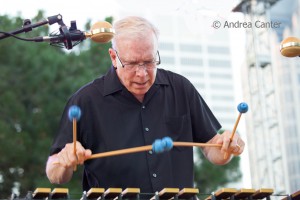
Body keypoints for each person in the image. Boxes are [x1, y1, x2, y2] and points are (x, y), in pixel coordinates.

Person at [46, 16, 245, 193]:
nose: (142, 73)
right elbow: (54, 173)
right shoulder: (86, 100)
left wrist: (227, 146)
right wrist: (64, 161)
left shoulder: (180, 88)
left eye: (149, 62)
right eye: (132, 64)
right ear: (113, 58)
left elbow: (211, 147)